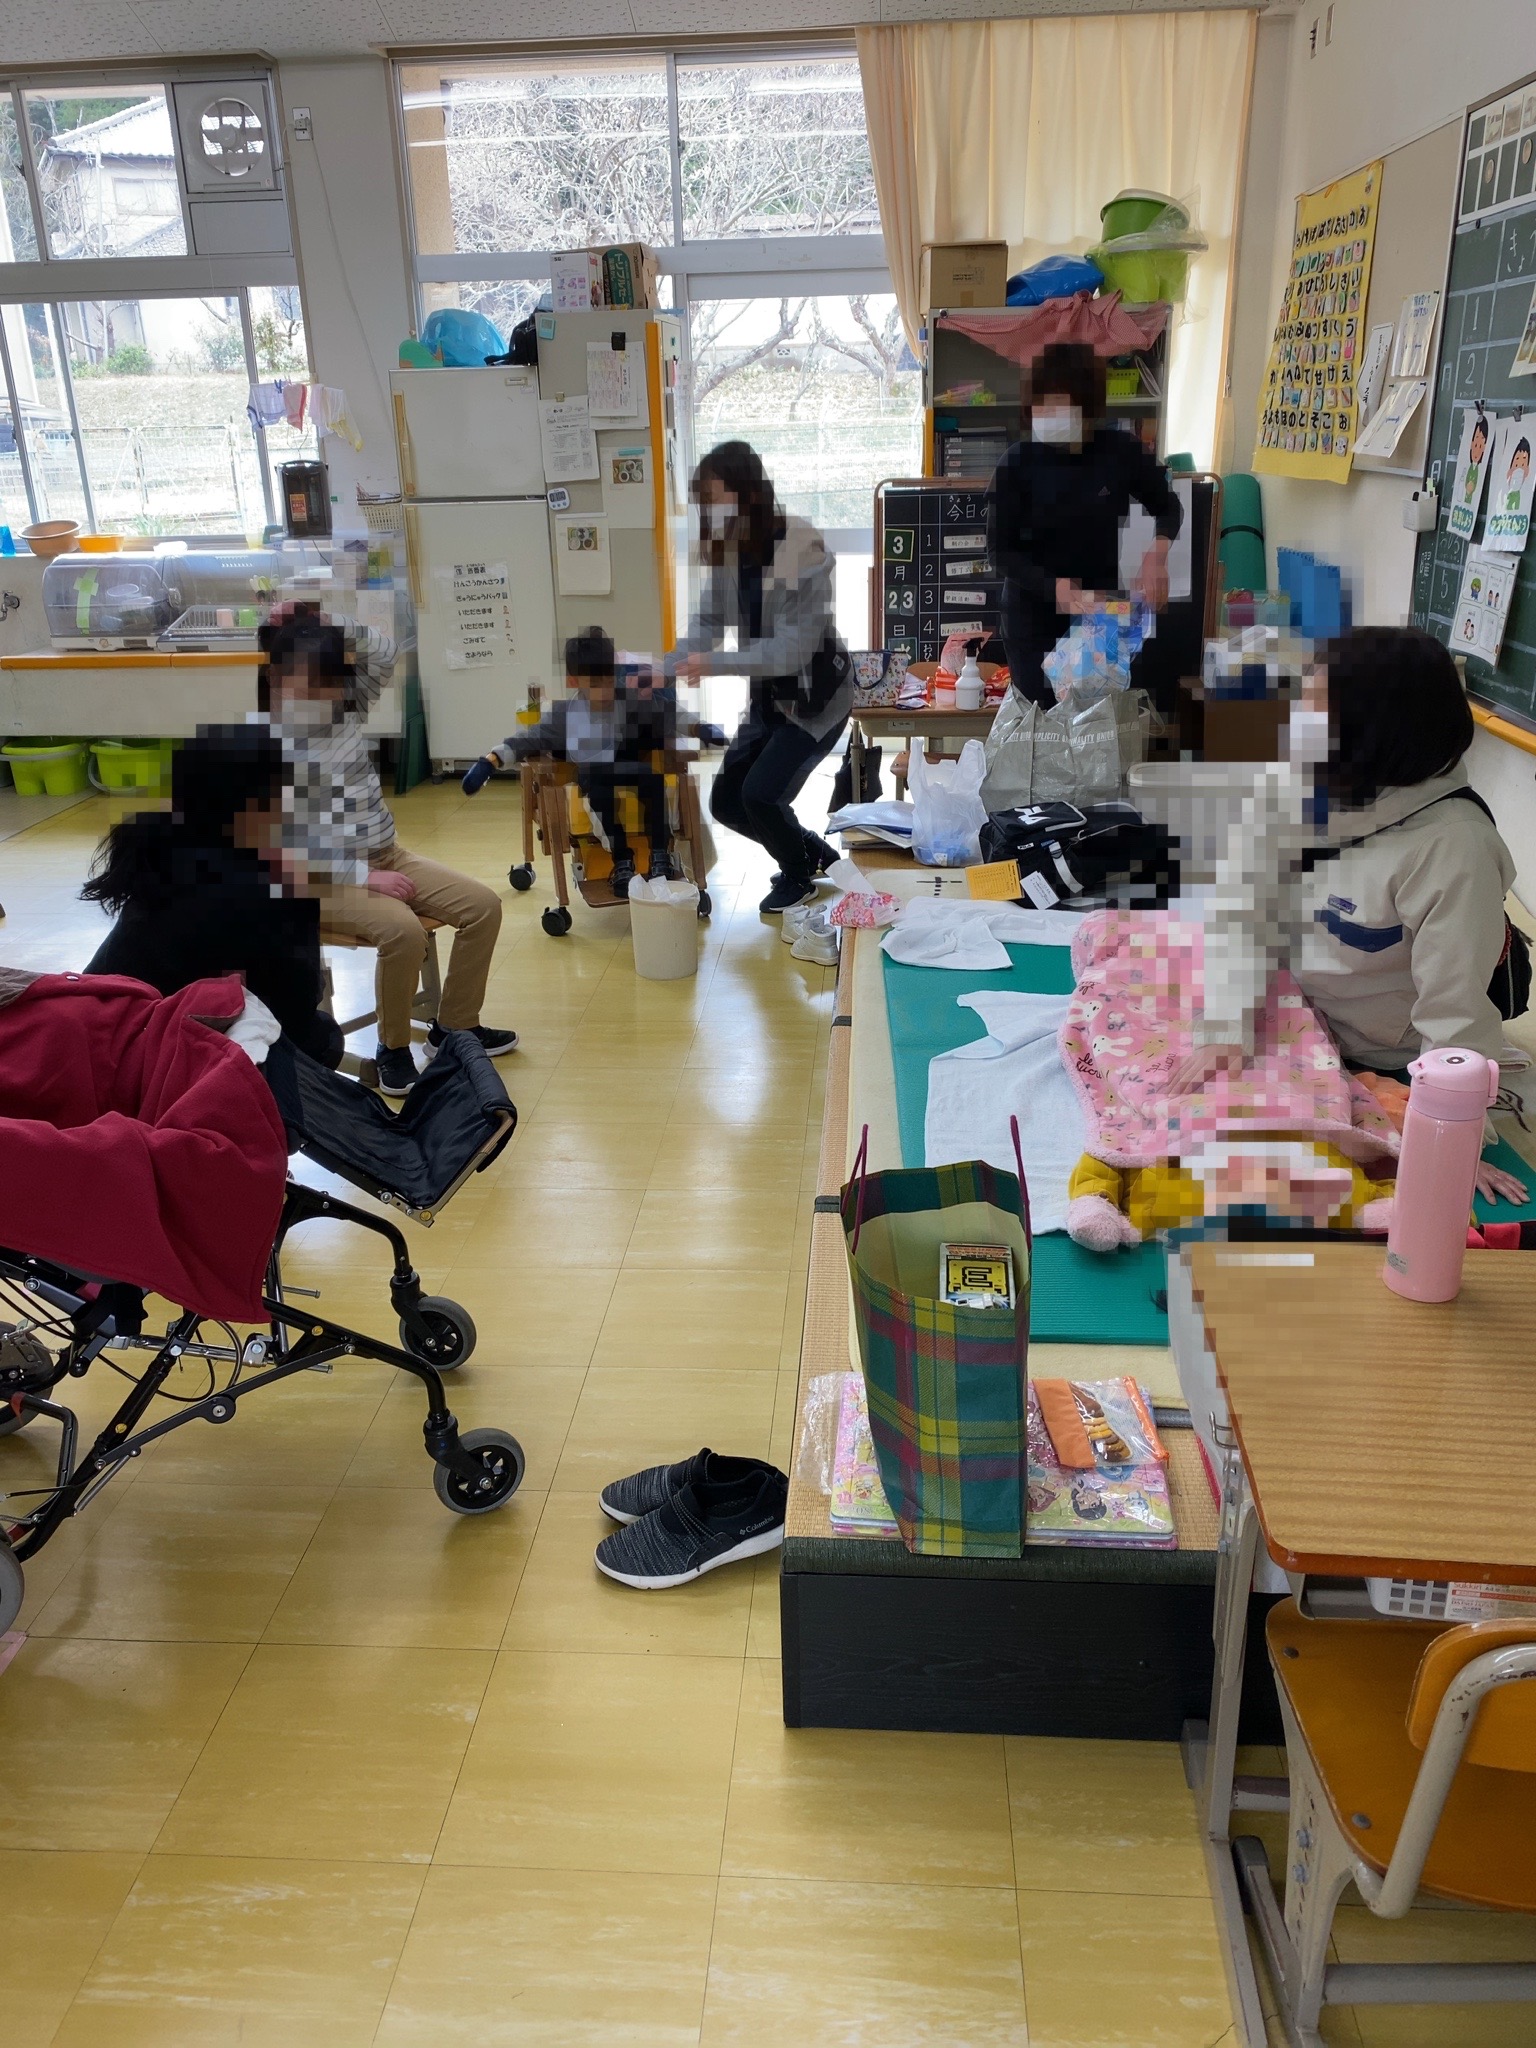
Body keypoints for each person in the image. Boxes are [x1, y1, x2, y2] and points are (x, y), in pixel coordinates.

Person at [1173, 625, 1527, 1204]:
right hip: (1293, 1012)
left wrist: (1453, 1137)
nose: (1296, 723)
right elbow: (1241, 911)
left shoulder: (1453, 848)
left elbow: (1456, 1012)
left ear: (1374, 730)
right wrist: (1224, 1028)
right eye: (1303, 699)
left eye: (1318, 708)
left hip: (1382, 1055)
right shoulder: (1294, 784)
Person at [258, 603, 515, 1098]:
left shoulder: (342, 710)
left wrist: (326, 618)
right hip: (315, 879)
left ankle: (454, 1028)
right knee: (403, 933)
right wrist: (365, 878)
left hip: (386, 854)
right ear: (277, 680)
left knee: (483, 907)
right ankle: (392, 1047)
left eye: (329, 680)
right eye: (307, 683)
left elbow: (386, 651)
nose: (322, 693)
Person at [83, 723, 343, 1067]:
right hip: (152, 1060)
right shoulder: (272, 887)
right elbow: (295, 1010)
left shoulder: (161, 845)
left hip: (95, 1031)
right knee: (323, 1037)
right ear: (259, 807)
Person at [665, 441, 849, 915]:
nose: (710, 511)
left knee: (760, 795)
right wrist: (665, 667)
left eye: (714, 498)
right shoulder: (732, 550)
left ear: (747, 492)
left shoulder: (803, 550)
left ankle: (799, 876)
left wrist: (713, 664)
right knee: (727, 801)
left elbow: (791, 650)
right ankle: (812, 854)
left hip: (815, 699)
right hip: (770, 698)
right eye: (704, 502)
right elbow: (708, 621)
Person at [988, 341, 1183, 710]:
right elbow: (999, 551)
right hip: (1031, 620)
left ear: (1087, 406)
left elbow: (1168, 505)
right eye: (1040, 404)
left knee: (1093, 724)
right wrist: (1054, 586)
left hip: (1097, 622)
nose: (1048, 414)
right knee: (1042, 723)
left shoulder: (1119, 452)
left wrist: (1157, 554)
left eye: (1059, 404)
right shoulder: (1016, 464)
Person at [462, 627, 681, 897]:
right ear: (575, 681)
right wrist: (490, 762)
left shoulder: (629, 699)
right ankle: (622, 860)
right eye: (596, 684)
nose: (605, 691)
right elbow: (529, 739)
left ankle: (660, 855)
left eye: (609, 680)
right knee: (600, 791)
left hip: (627, 766)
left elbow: (663, 721)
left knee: (653, 781)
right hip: (595, 775)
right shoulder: (564, 713)